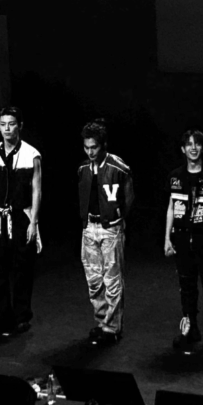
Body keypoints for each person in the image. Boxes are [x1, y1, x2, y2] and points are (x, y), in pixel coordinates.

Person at [0, 107, 43, 334]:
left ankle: (21, 316)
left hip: (21, 215)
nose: (7, 128)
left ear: (20, 126)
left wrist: (34, 223)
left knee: (22, 268)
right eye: (3, 124)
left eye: (12, 124)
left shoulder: (31, 154)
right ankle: (0, 315)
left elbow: (36, 190)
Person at [164, 130, 203, 351]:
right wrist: (167, 238)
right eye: (189, 144)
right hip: (182, 238)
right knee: (186, 284)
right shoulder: (175, 176)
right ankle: (189, 326)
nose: (193, 148)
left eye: (197, 144)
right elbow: (171, 207)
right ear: (183, 149)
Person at [77, 120, 134, 347]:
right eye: (86, 147)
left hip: (110, 227)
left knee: (112, 280)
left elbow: (129, 198)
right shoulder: (83, 169)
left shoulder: (119, 168)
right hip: (89, 228)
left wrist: (117, 217)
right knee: (94, 280)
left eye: (94, 147)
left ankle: (112, 327)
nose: (90, 152)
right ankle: (101, 322)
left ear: (103, 145)